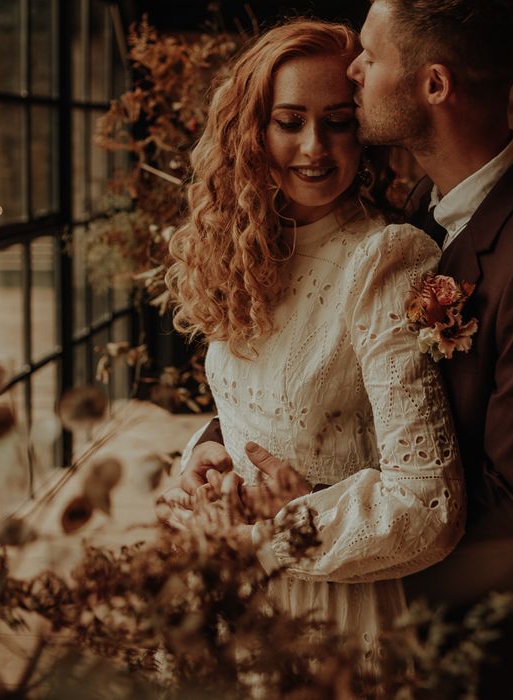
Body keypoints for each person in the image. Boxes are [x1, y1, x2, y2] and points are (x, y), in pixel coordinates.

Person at [188, 1, 513, 698]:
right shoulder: (426, 204)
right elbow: (327, 380)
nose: (354, 70)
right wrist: (225, 453)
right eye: (291, 119)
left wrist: (288, 521)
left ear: (433, 85)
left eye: (370, 55)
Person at [166, 19, 465, 654]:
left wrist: (268, 531)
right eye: (290, 121)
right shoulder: (242, 250)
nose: (315, 148)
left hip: (326, 610)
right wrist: (201, 454)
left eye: (336, 121)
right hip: (223, 589)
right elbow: (245, 404)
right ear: (253, 131)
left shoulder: (384, 262)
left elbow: (428, 506)